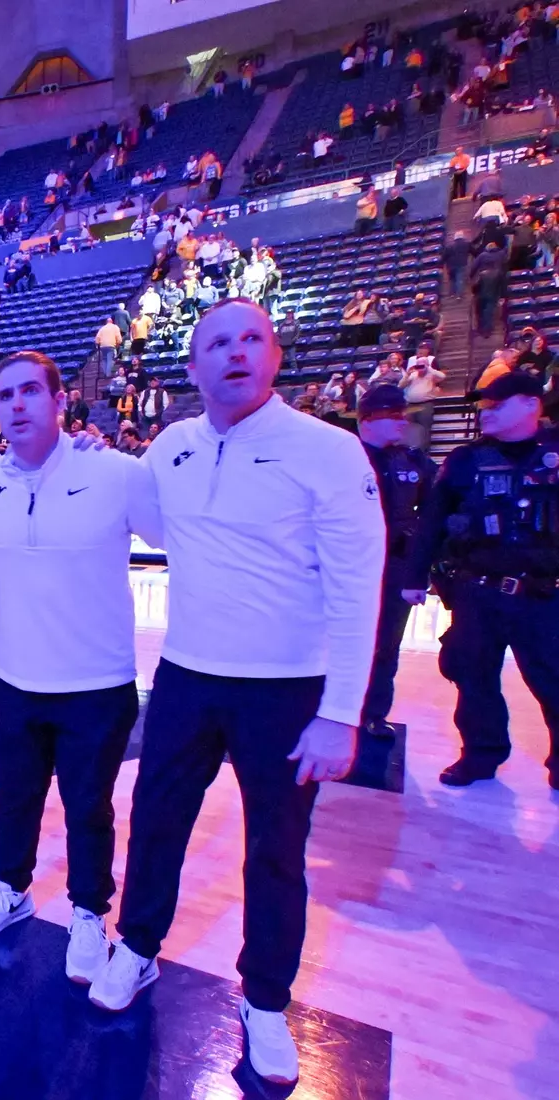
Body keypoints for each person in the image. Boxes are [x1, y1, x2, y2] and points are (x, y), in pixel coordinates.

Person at [90, 300, 385, 1090]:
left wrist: (340, 713)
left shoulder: (328, 449)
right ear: (192, 368)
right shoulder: (172, 447)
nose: (235, 353)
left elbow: (362, 591)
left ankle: (263, 1000)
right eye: (217, 343)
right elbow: (153, 526)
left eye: (251, 338)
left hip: (287, 692)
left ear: (276, 354)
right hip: (187, 676)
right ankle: (138, 948)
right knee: (154, 826)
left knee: (276, 852)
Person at [0, 351, 160, 983]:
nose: (15, 405)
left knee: (88, 807)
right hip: (16, 678)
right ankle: (11, 888)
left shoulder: (117, 475)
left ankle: (89, 912)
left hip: (96, 685)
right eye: (5, 395)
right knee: (14, 797)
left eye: (29, 393)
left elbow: (177, 538)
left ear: (59, 400)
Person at [401, 371, 559, 787]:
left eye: (496, 404)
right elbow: (431, 521)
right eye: (483, 405)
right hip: (478, 591)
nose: (484, 412)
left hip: (541, 594)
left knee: (553, 679)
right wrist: (414, 575)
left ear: (530, 403)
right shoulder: (465, 459)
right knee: (473, 679)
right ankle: (480, 755)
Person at [356, 385, 435, 742]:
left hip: (396, 568)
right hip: (348, 568)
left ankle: (373, 714)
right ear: (368, 418)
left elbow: (439, 509)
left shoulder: (413, 461)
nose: (403, 421)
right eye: (393, 414)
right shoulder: (343, 456)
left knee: (386, 645)